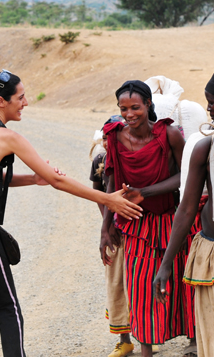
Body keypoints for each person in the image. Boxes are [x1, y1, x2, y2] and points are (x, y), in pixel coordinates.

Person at [0, 70, 144, 357]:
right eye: (20, 97)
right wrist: (107, 199)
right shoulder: (6, 136)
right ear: (2, 101)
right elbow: (58, 181)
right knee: (8, 305)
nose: (26, 102)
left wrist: (32, 178)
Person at [100, 80, 198, 357]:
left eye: (135, 107)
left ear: (148, 105)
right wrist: (105, 229)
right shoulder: (114, 137)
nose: (130, 114)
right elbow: (110, 185)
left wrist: (144, 191)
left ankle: (192, 340)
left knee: (179, 280)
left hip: (171, 219)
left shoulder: (169, 135)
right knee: (139, 284)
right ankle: (146, 348)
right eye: (123, 109)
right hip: (134, 223)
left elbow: (187, 176)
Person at [154, 74, 214, 357]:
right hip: (210, 252)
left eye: (213, 103)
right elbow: (187, 208)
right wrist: (166, 264)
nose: (209, 109)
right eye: (208, 102)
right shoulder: (206, 147)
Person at [90, 116, 134, 357]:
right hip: (115, 233)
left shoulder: (134, 157)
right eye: (107, 137)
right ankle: (124, 339)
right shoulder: (101, 160)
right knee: (116, 283)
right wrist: (107, 227)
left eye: (114, 137)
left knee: (139, 283)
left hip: (138, 230)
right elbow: (99, 194)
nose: (110, 142)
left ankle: (147, 334)